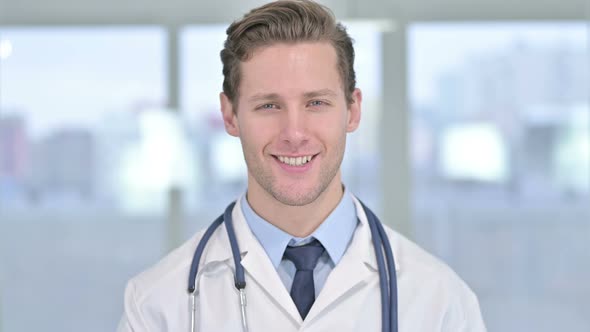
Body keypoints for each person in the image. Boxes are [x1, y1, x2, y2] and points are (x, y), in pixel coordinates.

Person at [117, 1, 487, 331]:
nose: (294, 133)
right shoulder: (157, 306)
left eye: (316, 103)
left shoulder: (440, 302)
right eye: (269, 105)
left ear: (353, 110)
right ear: (230, 115)